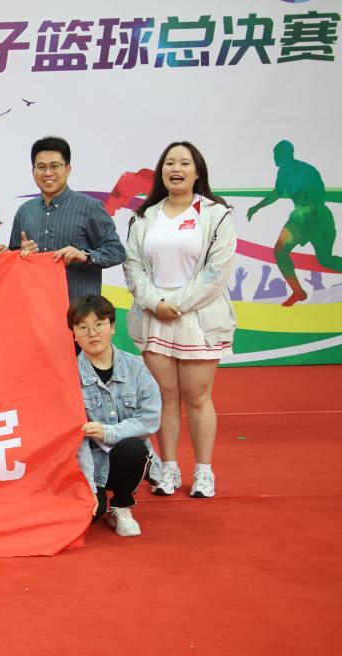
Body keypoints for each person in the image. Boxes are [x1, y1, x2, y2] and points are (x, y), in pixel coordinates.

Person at [124, 141, 237, 498]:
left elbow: (217, 271)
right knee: (164, 396)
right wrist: (155, 302)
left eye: (184, 163)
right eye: (169, 163)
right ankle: (169, 468)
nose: (176, 169)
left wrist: (179, 304)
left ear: (197, 171)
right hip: (154, 316)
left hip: (198, 318)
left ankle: (204, 472)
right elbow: (133, 267)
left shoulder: (217, 215)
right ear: (161, 172)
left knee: (197, 396)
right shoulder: (145, 217)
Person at [70, 295, 160, 537]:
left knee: (134, 449)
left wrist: (109, 432)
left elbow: (150, 419)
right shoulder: (69, 376)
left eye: (99, 324)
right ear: (74, 334)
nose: (92, 333)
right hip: (89, 464)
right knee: (88, 516)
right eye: (83, 327)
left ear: (112, 327)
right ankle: (99, 502)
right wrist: (90, 488)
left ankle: (121, 504)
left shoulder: (135, 367)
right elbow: (77, 443)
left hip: (124, 454)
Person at [8, 136, 125, 301]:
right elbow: (12, 259)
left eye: (55, 166)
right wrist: (22, 253)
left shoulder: (90, 207)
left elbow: (117, 252)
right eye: (41, 167)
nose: (48, 173)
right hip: (35, 307)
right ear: (33, 172)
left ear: (68, 169)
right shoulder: (24, 211)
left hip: (78, 310)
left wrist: (86, 256)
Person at [246, 140, 342, 306]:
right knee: (279, 251)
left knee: (325, 260)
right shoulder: (283, 172)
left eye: (277, 156)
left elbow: (320, 197)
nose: (275, 160)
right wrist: (257, 207)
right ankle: (298, 292)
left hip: (320, 220)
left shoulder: (308, 171)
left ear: (287, 155)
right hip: (299, 221)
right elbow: (276, 193)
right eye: (275, 156)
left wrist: (312, 217)